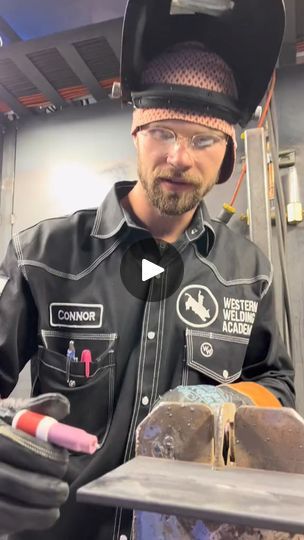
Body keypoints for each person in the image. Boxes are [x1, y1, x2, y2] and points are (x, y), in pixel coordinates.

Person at [0, 15, 295, 540]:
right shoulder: (42, 255)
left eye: (203, 140)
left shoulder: (248, 273)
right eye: (162, 132)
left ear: (227, 152)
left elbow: (280, 385)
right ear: (135, 132)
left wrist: (225, 402)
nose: (178, 158)